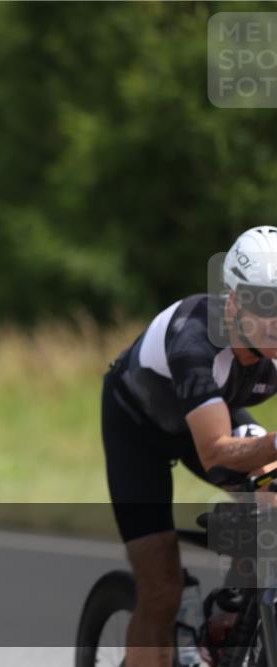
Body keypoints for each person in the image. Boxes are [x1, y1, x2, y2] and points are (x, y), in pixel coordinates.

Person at [101, 226, 277, 666]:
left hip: (213, 410)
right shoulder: (195, 336)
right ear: (234, 302)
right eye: (264, 301)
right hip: (139, 430)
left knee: (271, 496)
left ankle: (234, 612)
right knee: (161, 588)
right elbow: (215, 452)